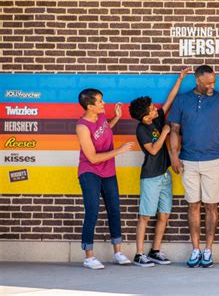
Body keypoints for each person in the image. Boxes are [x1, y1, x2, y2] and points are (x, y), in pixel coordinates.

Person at [168, 65, 219, 268]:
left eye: (214, 82)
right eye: (208, 83)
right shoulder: (182, 100)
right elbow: (174, 130)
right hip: (188, 160)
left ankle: (208, 250)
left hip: (214, 160)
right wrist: (174, 155)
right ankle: (195, 249)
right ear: (197, 80)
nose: (212, 86)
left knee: (211, 206)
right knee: (193, 205)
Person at [128, 67, 191, 267]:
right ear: (145, 117)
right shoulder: (142, 128)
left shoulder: (156, 118)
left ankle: (155, 250)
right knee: (146, 215)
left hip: (164, 175)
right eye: (152, 110)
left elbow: (170, 100)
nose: (156, 109)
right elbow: (153, 150)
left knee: (164, 214)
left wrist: (180, 79)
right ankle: (139, 254)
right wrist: (164, 132)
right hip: (151, 176)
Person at [76, 88, 134, 270]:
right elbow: (92, 158)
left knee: (114, 210)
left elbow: (104, 129)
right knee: (92, 212)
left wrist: (116, 117)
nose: (104, 104)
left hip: (108, 171)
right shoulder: (82, 126)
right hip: (90, 172)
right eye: (100, 102)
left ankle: (117, 252)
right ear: (90, 106)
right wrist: (119, 151)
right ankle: (89, 256)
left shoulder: (100, 117)